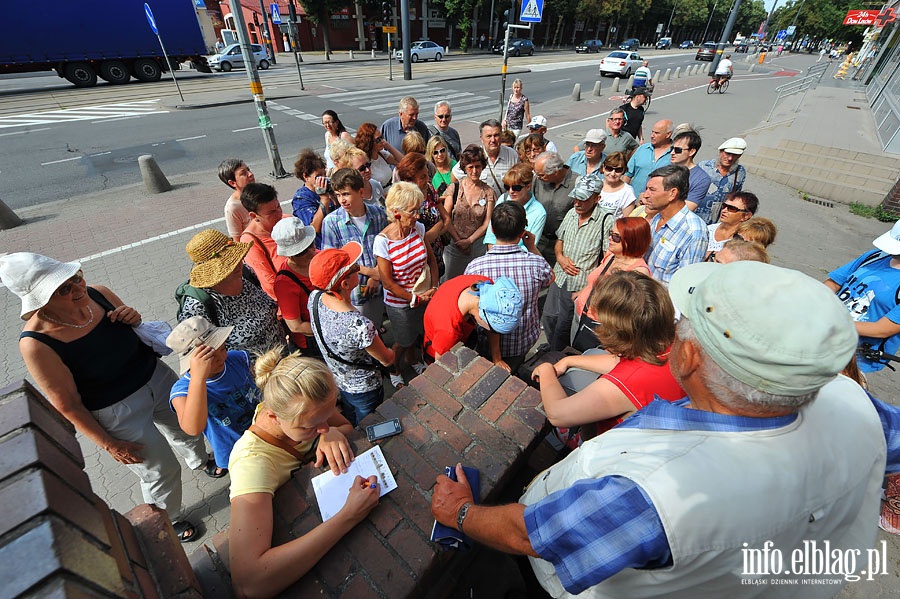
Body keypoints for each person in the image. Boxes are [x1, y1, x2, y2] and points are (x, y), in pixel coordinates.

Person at [431, 261, 885, 597]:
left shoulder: (655, 493)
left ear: (687, 357)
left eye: (683, 324)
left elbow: (532, 536)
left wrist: (461, 515)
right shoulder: (856, 404)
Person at [3, 253, 208, 543]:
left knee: (188, 428)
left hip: (157, 378)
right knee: (160, 470)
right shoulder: (36, 343)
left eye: (76, 277)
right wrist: (108, 444)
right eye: (63, 289)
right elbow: (67, 403)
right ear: (40, 300)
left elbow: (135, 327)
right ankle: (166, 519)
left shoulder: (99, 293)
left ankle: (198, 460)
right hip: (116, 411)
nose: (78, 288)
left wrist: (133, 318)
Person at [228, 349, 380, 597]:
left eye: (325, 417)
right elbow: (248, 583)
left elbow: (342, 425)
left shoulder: (306, 403)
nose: (322, 428)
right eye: (311, 427)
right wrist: (348, 516)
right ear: (273, 417)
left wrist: (330, 433)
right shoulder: (252, 464)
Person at [535, 271, 684, 449]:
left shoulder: (628, 382)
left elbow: (557, 414)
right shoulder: (671, 343)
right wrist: (570, 361)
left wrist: (545, 369)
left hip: (613, 447)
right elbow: (618, 363)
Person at [308, 242, 394, 424]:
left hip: (338, 379)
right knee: (367, 422)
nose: (359, 268)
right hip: (365, 387)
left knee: (350, 413)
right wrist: (395, 350)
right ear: (346, 284)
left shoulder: (314, 297)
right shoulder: (360, 325)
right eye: (355, 268)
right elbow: (386, 359)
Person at [167, 316, 260, 479]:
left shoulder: (237, 358)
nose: (222, 358)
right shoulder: (182, 391)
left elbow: (262, 386)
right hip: (238, 452)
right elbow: (192, 428)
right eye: (211, 358)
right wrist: (198, 379)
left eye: (223, 349)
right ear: (192, 362)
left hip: (267, 434)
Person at [466, 202, 551, 372]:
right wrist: (532, 247)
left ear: (492, 229)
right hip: (521, 341)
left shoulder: (475, 267)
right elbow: (550, 278)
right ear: (522, 233)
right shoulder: (535, 264)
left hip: (486, 343)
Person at [375, 182, 439, 388]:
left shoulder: (418, 228)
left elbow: (432, 260)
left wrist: (434, 288)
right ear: (396, 212)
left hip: (422, 296)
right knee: (402, 339)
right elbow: (388, 282)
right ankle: (393, 368)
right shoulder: (383, 242)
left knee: (416, 333)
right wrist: (413, 298)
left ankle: (412, 359)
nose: (418, 216)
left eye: (418, 209)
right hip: (400, 303)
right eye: (413, 211)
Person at [180, 229, 283, 356]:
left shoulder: (245, 273)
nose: (238, 265)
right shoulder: (197, 307)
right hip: (249, 372)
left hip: (283, 358)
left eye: (236, 259)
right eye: (229, 265)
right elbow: (195, 357)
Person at [541, 175, 614, 351]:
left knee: (564, 327)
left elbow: (608, 260)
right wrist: (560, 257)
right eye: (576, 197)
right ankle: (552, 349)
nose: (577, 202)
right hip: (559, 277)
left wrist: (588, 289)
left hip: (579, 284)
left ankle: (557, 356)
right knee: (548, 318)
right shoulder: (572, 212)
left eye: (583, 199)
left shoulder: (606, 220)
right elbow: (560, 239)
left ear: (597, 198)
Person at [825, 220, 900, 373]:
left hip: (853, 360)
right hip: (823, 339)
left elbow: (881, 329)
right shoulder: (875, 256)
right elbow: (834, 282)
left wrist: (830, 322)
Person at [320, 167, 388, 327]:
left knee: (376, 329)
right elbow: (332, 262)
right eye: (338, 195)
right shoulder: (331, 222)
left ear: (361, 192)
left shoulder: (379, 215)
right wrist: (370, 272)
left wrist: (376, 276)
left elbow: (387, 248)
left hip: (379, 289)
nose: (342, 200)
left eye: (346, 194)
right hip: (353, 295)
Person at [572, 217, 652, 341]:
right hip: (581, 315)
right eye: (611, 233)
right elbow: (597, 279)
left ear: (631, 241)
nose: (610, 238)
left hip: (602, 328)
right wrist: (581, 293)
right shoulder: (612, 256)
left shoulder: (638, 271)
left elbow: (629, 312)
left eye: (616, 237)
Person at [423, 274, 523, 362]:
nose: (494, 333)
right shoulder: (448, 331)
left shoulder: (484, 286)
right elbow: (440, 366)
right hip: (436, 349)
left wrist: (497, 358)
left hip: (459, 336)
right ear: (482, 317)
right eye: (493, 329)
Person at [643, 165, 708, 284]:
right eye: (647, 189)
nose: (645, 195)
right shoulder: (657, 217)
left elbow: (685, 284)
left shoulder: (694, 233)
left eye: (652, 190)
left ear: (672, 193)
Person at [443, 145, 497, 280]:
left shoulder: (488, 192)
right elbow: (446, 217)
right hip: (454, 246)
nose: (474, 171)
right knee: (450, 282)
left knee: (474, 283)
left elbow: (487, 223)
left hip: (476, 247)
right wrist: (459, 241)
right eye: (470, 167)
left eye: (477, 166)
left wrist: (469, 241)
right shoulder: (454, 188)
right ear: (464, 168)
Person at [397, 153, 450, 280]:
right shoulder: (404, 203)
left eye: (427, 175)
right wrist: (438, 226)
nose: (428, 179)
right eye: (422, 177)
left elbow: (446, 219)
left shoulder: (430, 190)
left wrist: (435, 232)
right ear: (409, 180)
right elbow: (416, 241)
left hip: (437, 257)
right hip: (419, 265)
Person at [272, 218, 320, 355]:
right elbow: (296, 326)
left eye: (311, 244)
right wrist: (330, 329)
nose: (311, 251)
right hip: (312, 341)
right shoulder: (284, 283)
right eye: (302, 251)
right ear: (290, 254)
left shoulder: (318, 256)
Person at [240, 182, 287, 300]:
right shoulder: (250, 241)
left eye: (278, 207)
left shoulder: (287, 220)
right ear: (254, 216)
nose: (279, 214)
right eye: (271, 213)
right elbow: (269, 283)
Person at [484, 163, 546, 248]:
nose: (511, 191)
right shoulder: (503, 198)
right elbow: (490, 236)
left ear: (528, 187)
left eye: (516, 188)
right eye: (507, 187)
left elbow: (530, 246)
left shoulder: (539, 212)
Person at [452, 119, 520, 198]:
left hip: (505, 206)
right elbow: (454, 176)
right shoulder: (474, 155)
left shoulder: (512, 155)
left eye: (496, 135)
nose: (493, 140)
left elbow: (519, 180)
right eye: (489, 136)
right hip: (481, 207)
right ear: (481, 138)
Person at [533, 152, 577, 267]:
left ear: (556, 172)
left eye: (542, 175)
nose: (538, 178)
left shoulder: (576, 184)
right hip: (539, 239)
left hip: (562, 244)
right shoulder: (538, 181)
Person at [292, 148, 337, 249]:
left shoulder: (328, 189)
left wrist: (334, 197)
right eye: (318, 176)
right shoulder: (301, 198)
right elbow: (314, 228)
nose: (323, 179)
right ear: (306, 176)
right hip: (321, 246)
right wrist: (324, 200)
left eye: (324, 175)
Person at [697, 137, 748, 225]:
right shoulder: (703, 166)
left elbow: (735, 195)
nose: (730, 158)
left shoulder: (740, 172)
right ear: (721, 151)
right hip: (694, 213)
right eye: (727, 153)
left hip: (715, 219)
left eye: (734, 155)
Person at [624, 119, 673, 196]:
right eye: (652, 132)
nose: (652, 136)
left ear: (668, 134)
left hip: (660, 203)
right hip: (635, 200)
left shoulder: (675, 154)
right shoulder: (642, 149)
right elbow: (627, 174)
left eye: (656, 133)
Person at [706, 191, 758, 258]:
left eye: (732, 208)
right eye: (724, 206)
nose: (724, 210)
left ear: (746, 216)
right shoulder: (707, 229)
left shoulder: (743, 244)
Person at [670, 129, 711, 211]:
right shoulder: (663, 170)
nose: (672, 152)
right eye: (671, 148)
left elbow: (686, 209)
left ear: (691, 152)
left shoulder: (701, 179)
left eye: (678, 150)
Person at [354, 122, 404, 188]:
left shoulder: (382, 154)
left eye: (382, 137)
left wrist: (387, 146)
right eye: (378, 140)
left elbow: (403, 161)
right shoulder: (364, 163)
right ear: (369, 142)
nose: (381, 141)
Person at [218, 158, 254, 242]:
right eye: (243, 173)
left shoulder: (261, 191)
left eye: (248, 170)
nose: (250, 174)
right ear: (232, 183)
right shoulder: (232, 208)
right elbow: (237, 241)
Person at [597, 152, 636, 219]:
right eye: (609, 168)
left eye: (618, 170)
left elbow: (626, 221)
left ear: (624, 171)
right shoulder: (595, 185)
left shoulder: (627, 192)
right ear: (603, 167)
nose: (613, 173)